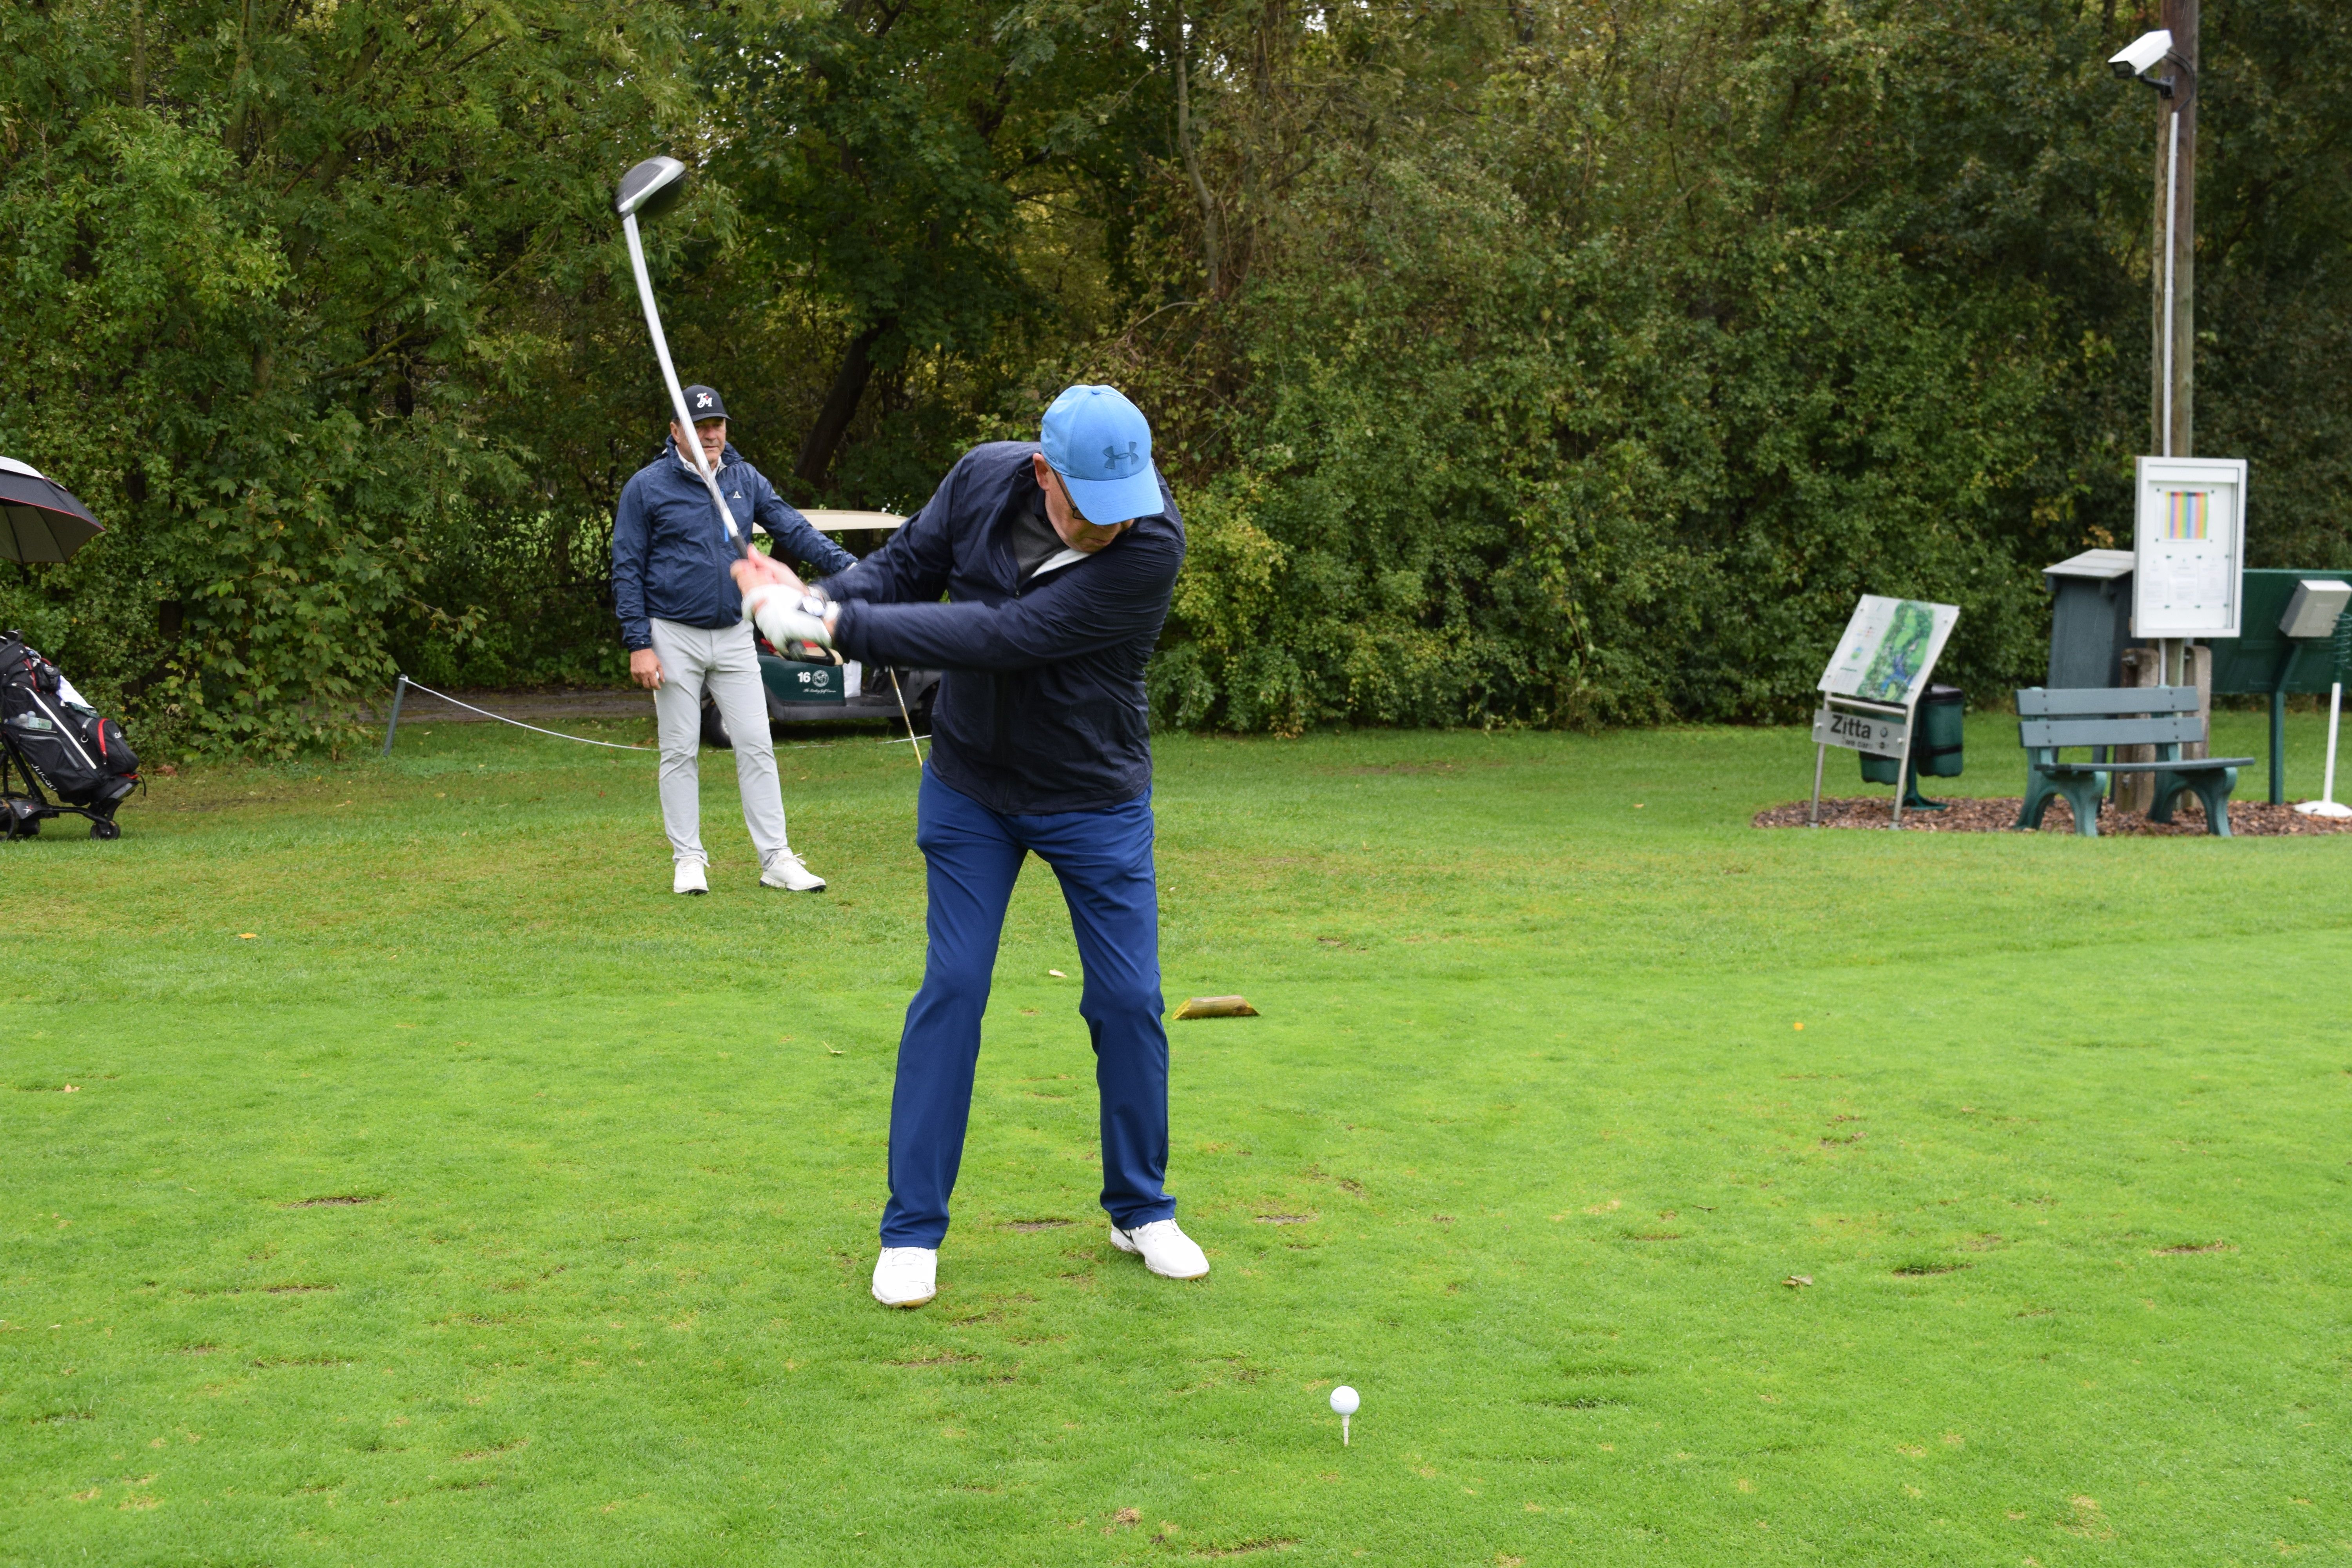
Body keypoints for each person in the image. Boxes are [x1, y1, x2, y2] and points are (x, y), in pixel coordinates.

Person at [731, 384, 1202, 1308]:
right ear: (1042, 472)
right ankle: (911, 1230)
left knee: (1129, 1000)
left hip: (1094, 796)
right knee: (953, 986)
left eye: (1124, 505)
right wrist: (813, 596)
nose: (1110, 525)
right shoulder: (984, 476)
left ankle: (1140, 1206)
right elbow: (905, 568)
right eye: (1090, 508)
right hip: (972, 788)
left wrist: (832, 626)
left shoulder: (1150, 545)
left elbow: (1006, 635)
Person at [612, 385, 857, 895]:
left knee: (757, 745)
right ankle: (688, 860)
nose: (711, 435)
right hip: (672, 634)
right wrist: (639, 643)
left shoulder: (744, 479)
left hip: (734, 633)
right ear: (676, 431)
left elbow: (795, 530)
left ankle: (776, 859)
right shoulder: (646, 487)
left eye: (717, 425)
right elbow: (627, 568)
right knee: (679, 751)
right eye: (699, 427)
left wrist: (855, 571)